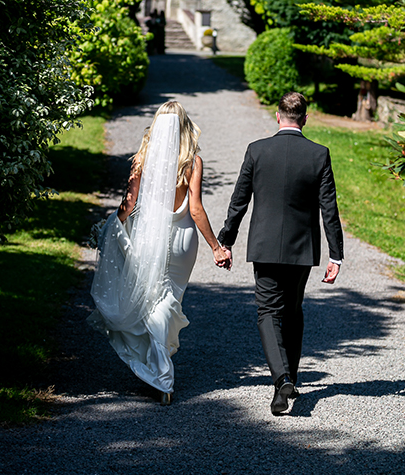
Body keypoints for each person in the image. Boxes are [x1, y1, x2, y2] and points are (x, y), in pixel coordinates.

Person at [88, 101, 230, 404]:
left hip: (149, 236)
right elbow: (195, 208)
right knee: (169, 298)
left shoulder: (142, 158)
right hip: (183, 240)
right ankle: (160, 365)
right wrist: (216, 247)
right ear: (183, 127)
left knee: (151, 296)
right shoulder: (192, 160)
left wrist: (112, 227)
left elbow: (129, 202)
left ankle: (161, 373)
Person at [217, 92, 344, 415]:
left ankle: (283, 378)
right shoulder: (319, 154)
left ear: (278, 117)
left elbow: (239, 201)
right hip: (303, 249)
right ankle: (287, 382)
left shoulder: (257, 150)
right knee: (293, 310)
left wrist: (226, 240)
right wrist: (335, 255)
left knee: (268, 312)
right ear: (304, 118)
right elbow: (329, 208)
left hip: (265, 245)